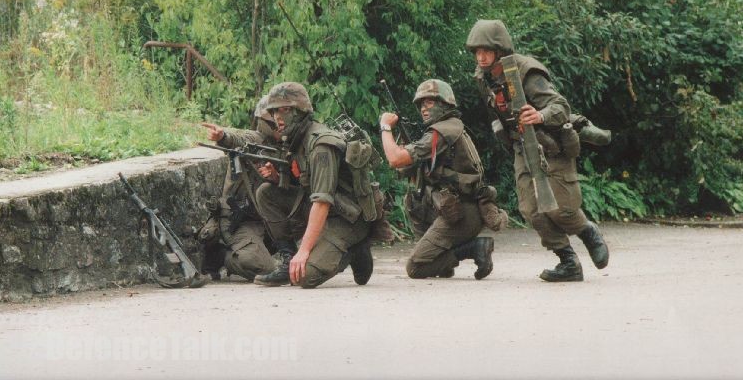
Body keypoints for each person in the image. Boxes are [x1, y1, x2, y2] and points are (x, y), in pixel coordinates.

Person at [465, 19, 609, 282]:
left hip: (550, 142)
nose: (481, 56)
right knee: (532, 210)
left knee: (560, 209)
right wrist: (506, 141)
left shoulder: (526, 71)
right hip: (521, 145)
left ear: (500, 50)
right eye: (476, 51)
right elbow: (494, 113)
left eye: (486, 50)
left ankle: (587, 231)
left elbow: (560, 107)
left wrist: (539, 115)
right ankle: (568, 262)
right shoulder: (483, 77)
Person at [251, 82, 374, 289]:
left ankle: (355, 248)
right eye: (274, 111)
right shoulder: (295, 139)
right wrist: (275, 177)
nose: (277, 117)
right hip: (325, 210)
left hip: (347, 218)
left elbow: (322, 200)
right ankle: (287, 258)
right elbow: (304, 185)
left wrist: (304, 251)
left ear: (300, 111)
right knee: (266, 193)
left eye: (284, 110)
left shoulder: (321, 145)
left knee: (304, 276)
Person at [379, 79, 501, 280]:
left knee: (416, 268)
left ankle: (474, 248)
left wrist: (385, 127)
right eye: (420, 104)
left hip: (463, 212)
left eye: (429, 102)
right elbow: (406, 168)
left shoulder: (443, 131)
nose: (423, 109)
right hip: (453, 209)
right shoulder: (448, 128)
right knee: (415, 199)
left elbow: (395, 159)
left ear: (444, 103)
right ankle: (443, 261)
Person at [196, 96, 279, 281]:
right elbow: (238, 138)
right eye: (275, 118)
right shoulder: (255, 140)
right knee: (265, 268)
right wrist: (222, 136)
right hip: (240, 220)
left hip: (267, 219)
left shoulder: (285, 144)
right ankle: (222, 256)